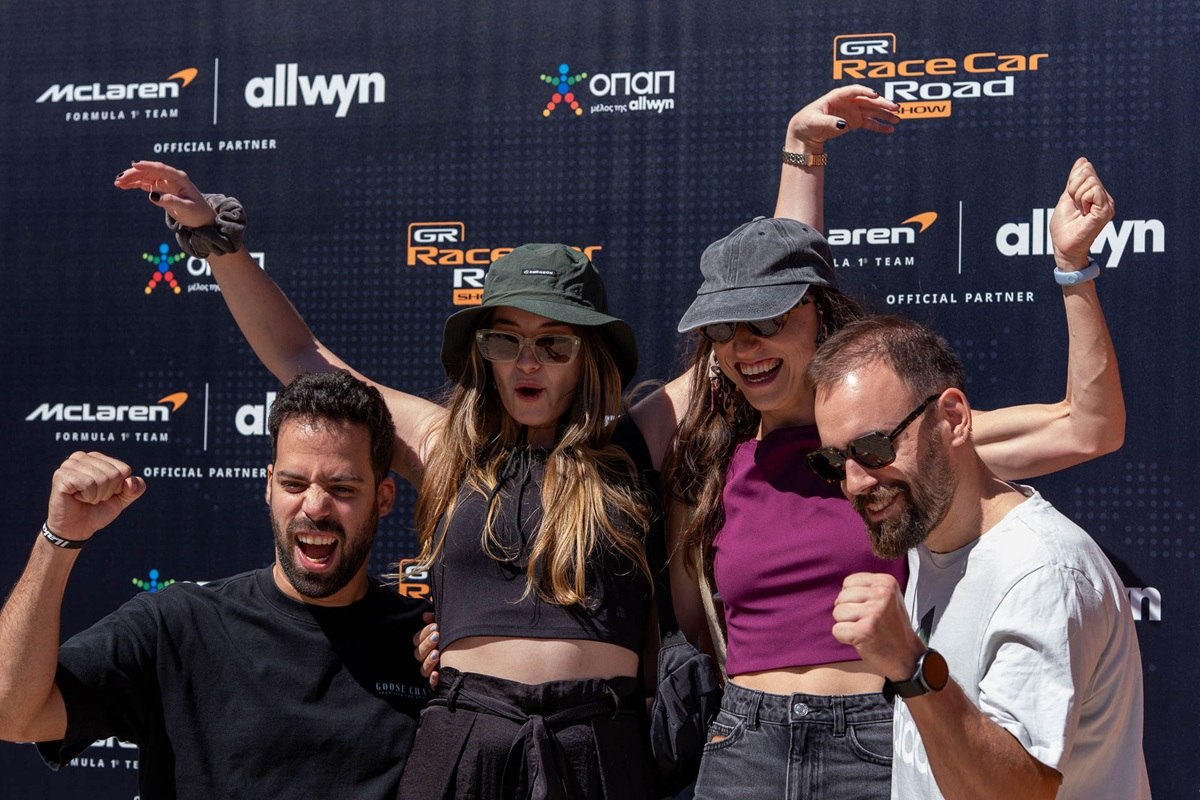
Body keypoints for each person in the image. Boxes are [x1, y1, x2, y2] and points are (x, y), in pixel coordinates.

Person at [117, 160, 663, 796]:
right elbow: (300, 357)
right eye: (505, 341)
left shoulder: (633, 444)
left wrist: (795, 171)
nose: (527, 362)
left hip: (595, 743)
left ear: (589, 354)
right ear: (482, 352)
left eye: (554, 344)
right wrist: (218, 240)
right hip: (465, 739)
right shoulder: (453, 448)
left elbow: (740, 347)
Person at [661, 144, 1124, 798]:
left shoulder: (902, 442)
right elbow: (694, 626)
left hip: (875, 735)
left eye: (767, 319)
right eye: (723, 329)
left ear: (818, 313)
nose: (745, 346)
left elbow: (1087, 427)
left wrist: (1074, 269)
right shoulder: (708, 462)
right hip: (742, 743)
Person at [0, 370, 431, 800]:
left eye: (341, 488)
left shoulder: (428, 647)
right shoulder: (179, 626)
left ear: (383, 497)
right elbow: (13, 715)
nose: (315, 507)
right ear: (269, 487)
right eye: (294, 484)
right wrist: (59, 538)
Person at [809, 315, 1149, 800]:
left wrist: (911, 666)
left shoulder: (1041, 573)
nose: (855, 482)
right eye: (833, 461)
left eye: (874, 447)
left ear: (953, 419)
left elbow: (1017, 792)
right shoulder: (933, 538)